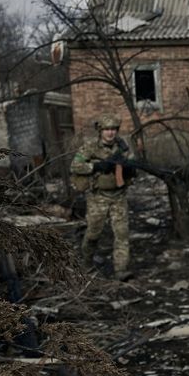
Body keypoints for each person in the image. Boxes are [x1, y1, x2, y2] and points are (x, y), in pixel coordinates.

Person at [71, 114, 136, 279]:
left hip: (119, 196)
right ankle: (86, 263)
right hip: (98, 197)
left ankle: (121, 269)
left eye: (113, 129)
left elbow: (134, 166)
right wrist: (96, 166)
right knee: (93, 233)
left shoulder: (123, 147)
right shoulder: (91, 147)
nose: (110, 133)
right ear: (100, 131)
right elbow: (76, 165)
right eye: (107, 129)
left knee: (122, 234)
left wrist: (129, 169)